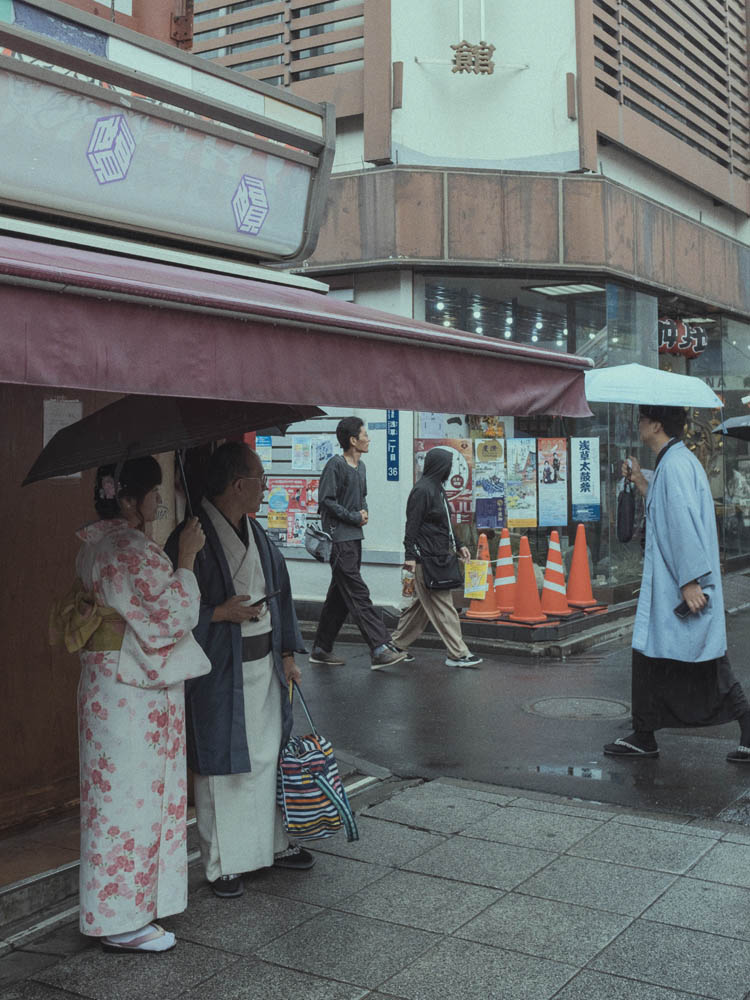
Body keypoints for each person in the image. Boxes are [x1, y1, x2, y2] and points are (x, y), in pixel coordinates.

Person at [50, 457, 211, 953]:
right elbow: (170, 615)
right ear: (125, 498)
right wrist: (185, 558)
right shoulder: (127, 548)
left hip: (108, 689)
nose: (158, 502)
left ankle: (127, 910)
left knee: (114, 803)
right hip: (129, 695)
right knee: (130, 804)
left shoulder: (97, 544)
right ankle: (121, 922)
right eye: (152, 493)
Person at [165, 442, 312, 900]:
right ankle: (222, 863)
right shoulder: (189, 538)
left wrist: (287, 653)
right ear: (238, 484)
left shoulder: (257, 534)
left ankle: (272, 844)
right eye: (261, 481)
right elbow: (172, 607)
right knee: (221, 766)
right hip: (219, 669)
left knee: (267, 755)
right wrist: (217, 614)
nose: (265, 489)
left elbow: (281, 592)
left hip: (262, 665)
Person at [603, 405, 750, 762]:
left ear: (655, 424)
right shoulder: (675, 462)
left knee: (704, 661)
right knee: (659, 658)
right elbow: (670, 506)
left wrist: (689, 581)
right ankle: (644, 732)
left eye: (641, 419)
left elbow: (682, 525)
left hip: (680, 583)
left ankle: (744, 722)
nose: (638, 425)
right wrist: (641, 481)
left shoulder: (675, 466)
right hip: (674, 582)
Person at [309, 416, 406, 669]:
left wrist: (364, 511)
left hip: (354, 538)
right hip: (339, 540)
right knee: (358, 593)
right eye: (365, 434)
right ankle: (380, 647)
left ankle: (321, 648)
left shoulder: (360, 467)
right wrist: (353, 516)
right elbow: (326, 502)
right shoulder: (335, 466)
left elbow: (361, 496)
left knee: (341, 595)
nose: (368, 438)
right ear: (353, 440)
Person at [391, 448, 482, 668]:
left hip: (438, 556)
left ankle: (395, 646)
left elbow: (445, 525)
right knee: (443, 605)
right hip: (426, 559)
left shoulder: (437, 488)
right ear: (440, 466)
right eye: (448, 465)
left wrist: (459, 546)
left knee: (422, 608)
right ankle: (458, 653)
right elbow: (411, 526)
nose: (451, 470)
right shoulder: (422, 490)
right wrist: (410, 556)